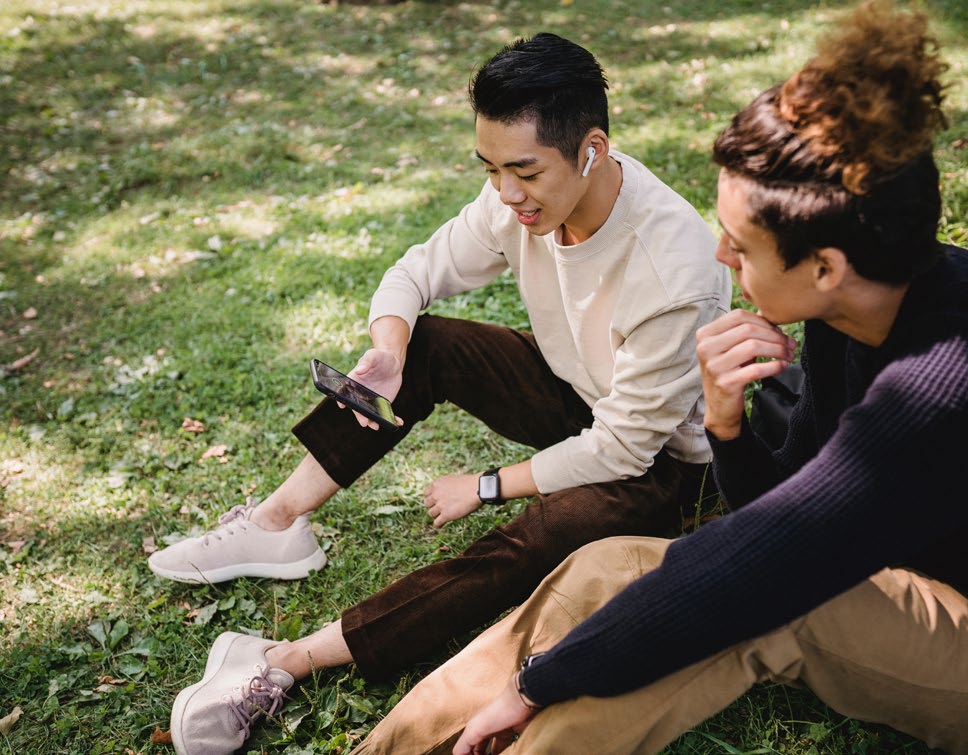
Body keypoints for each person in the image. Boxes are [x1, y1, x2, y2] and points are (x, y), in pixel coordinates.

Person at [347, 4, 968, 754]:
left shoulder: (952, 374)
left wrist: (537, 684)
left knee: (750, 603)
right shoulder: (847, 312)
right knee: (608, 565)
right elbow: (778, 502)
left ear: (824, 266)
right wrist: (726, 424)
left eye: (742, 244)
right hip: (899, 578)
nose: (721, 256)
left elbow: (768, 558)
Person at [160, 32, 731, 755]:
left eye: (523, 171)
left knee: (543, 536)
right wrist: (391, 351)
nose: (506, 193)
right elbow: (416, 270)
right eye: (490, 168)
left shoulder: (670, 265)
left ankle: (283, 658)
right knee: (427, 341)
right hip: (581, 395)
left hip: (667, 464)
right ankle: (279, 523)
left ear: (591, 149)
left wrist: (487, 485)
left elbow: (623, 446)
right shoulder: (516, 201)